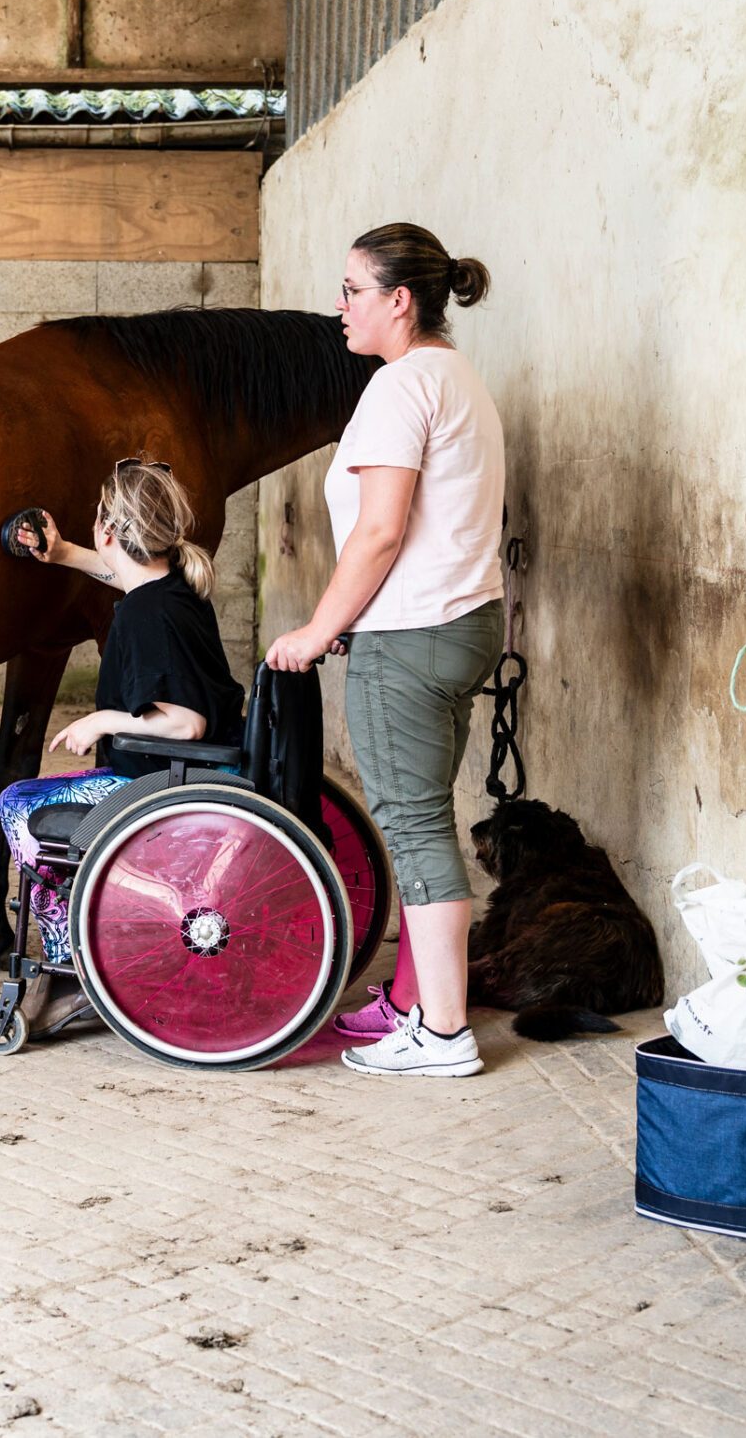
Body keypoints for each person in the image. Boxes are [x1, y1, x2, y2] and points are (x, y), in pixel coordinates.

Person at [266, 222, 506, 1079]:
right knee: (424, 817)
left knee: (413, 827)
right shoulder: (455, 376)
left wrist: (316, 629)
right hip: (465, 623)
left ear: (399, 300)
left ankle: (442, 1033)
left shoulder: (399, 387)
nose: (340, 307)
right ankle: (413, 1005)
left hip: (410, 635)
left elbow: (379, 532)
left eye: (352, 290)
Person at [0, 460, 246, 1024]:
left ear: (108, 530)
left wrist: (103, 721)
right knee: (49, 799)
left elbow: (187, 724)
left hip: (170, 782)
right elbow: (127, 573)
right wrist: (66, 554)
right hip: (202, 771)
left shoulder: (144, 616)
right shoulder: (175, 586)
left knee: (20, 805)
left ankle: (72, 965)